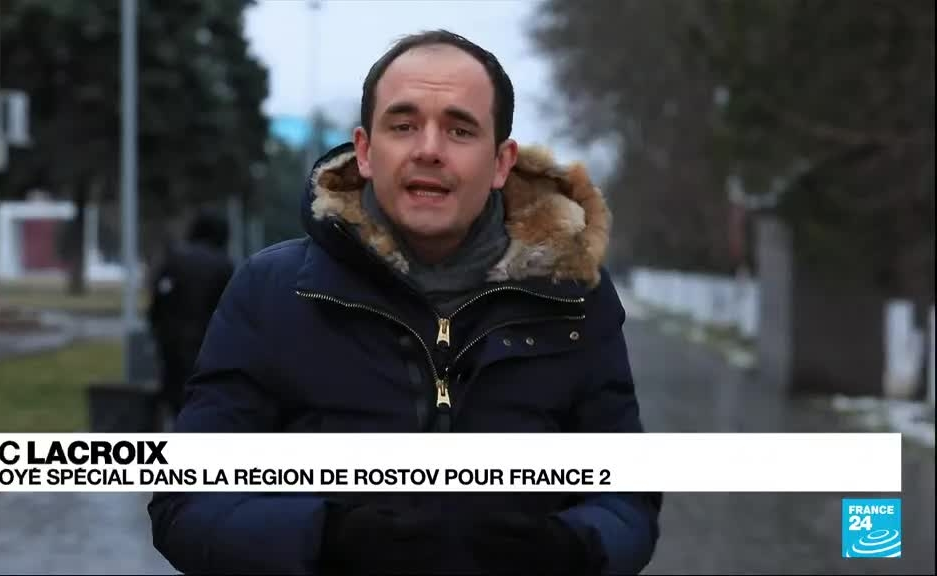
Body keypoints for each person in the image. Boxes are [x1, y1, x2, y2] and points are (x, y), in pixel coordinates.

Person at [148, 29, 661, 575]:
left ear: (501, 162)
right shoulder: (272, 291)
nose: (429, 149)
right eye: (403, 125)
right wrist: (324, 539)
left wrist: (571, 549)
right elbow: (186, 502)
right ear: (365, 151)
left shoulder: (574, 296)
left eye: (460, 129)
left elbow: (627, 498)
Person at [147, 209, 235, 419]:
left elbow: (158, 301)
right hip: (205, 341)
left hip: (170, 338)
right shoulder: (222, 264)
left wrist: (156, 328)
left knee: (173, 389)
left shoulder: (174, 259)